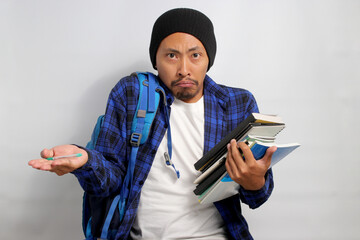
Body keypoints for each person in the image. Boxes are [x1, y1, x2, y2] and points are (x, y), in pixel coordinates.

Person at [29, 8, 276, 240]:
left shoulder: (237, 104)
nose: (183, 69)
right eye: (171, 55)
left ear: (208, 59)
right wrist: (85, 161)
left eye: (195, 55)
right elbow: (110, 182)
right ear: (155, 60)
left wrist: (254, 181)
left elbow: (257, 197)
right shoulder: (132, 93)